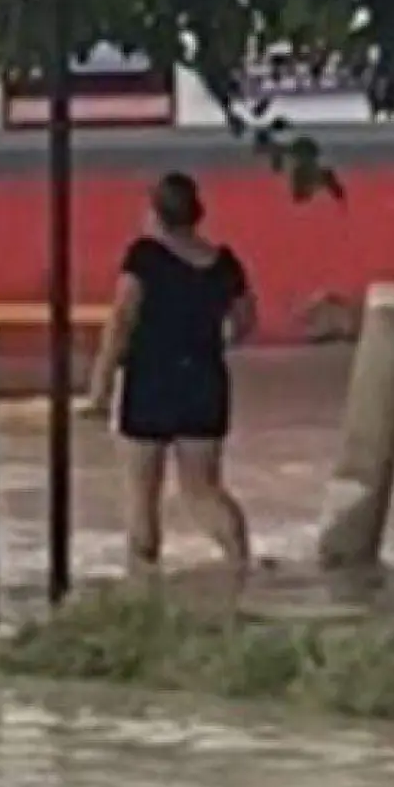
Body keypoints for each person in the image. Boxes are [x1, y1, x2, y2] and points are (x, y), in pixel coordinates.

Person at [85, 172, 257, 579]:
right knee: (203, 489)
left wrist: (101, 385)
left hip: (151, 381)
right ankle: (239, 561)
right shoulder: (225, 264)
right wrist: (210, 341)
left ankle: (144, 582)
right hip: (204, 381)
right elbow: (246, 321)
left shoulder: (145, 257)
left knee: (142, 494)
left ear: (155, 213)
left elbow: (122, 318)